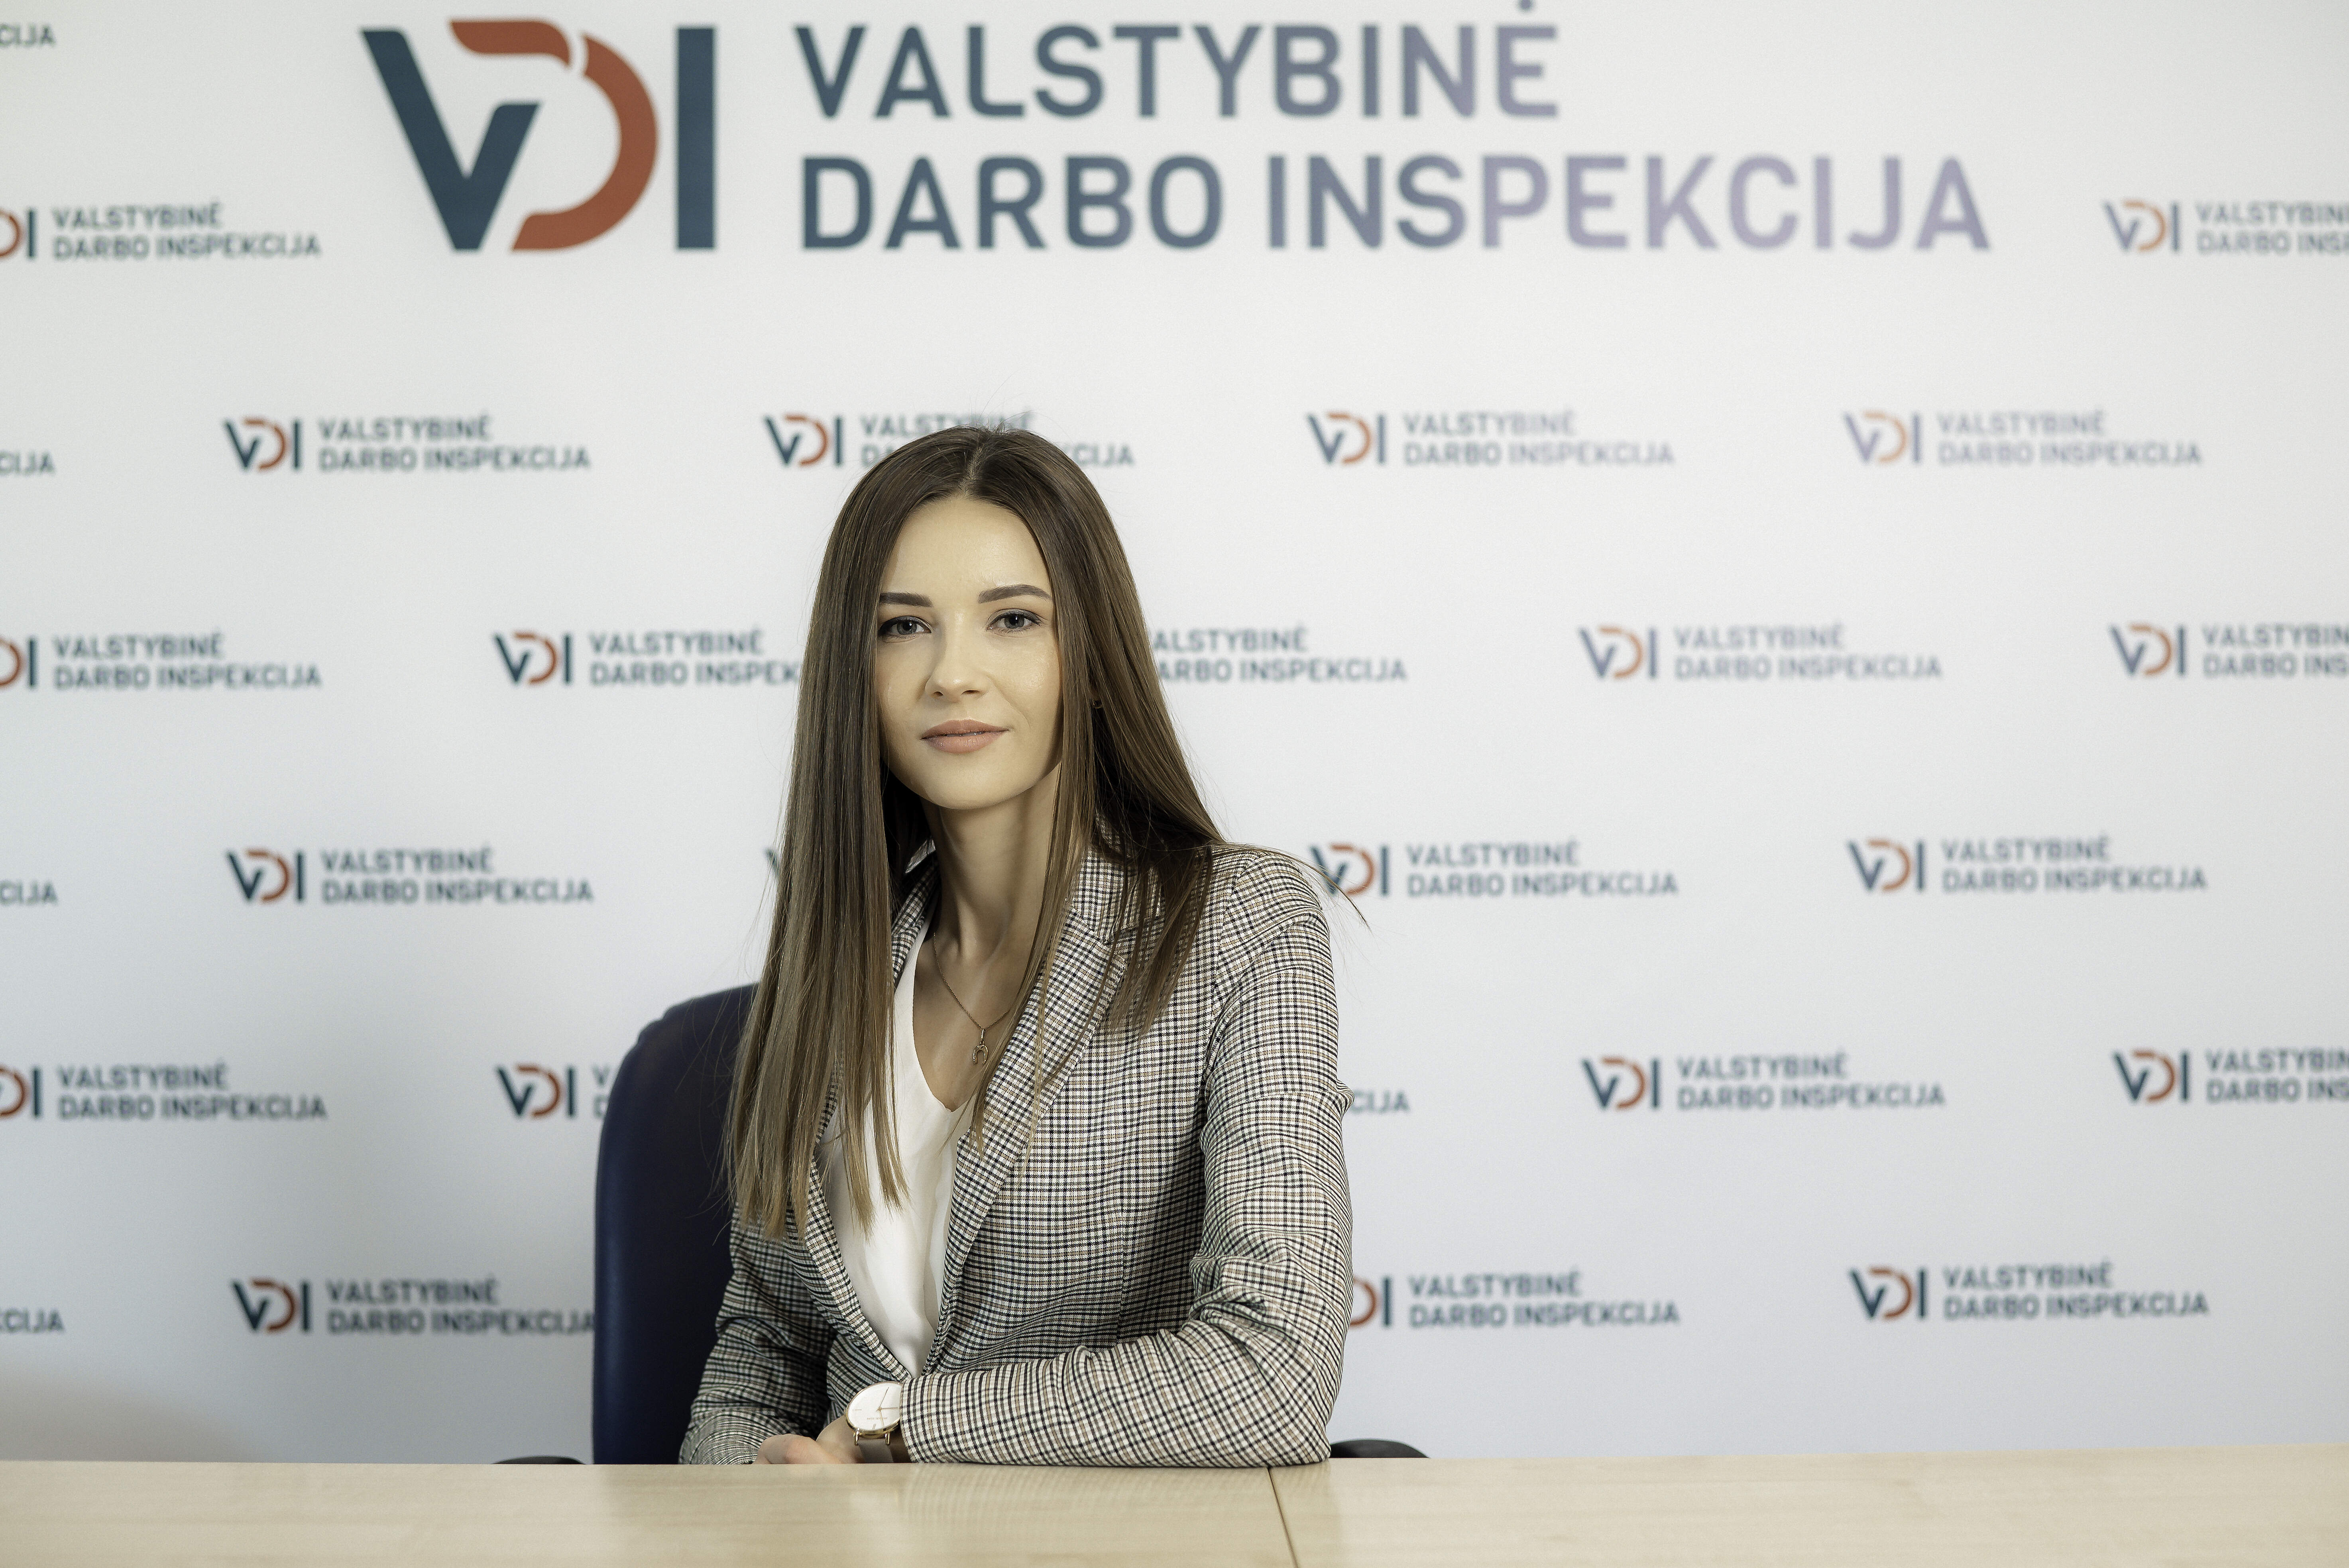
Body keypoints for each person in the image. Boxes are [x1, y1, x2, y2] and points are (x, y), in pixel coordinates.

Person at [681, 426, 1351, 1467]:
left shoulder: (1239, 927)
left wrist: (899, 1431)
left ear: (1090, 657)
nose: (953, 674)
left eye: (1012, 619)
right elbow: (763, 1355)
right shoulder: (833, 972)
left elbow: (1275, 1372)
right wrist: (753, 1499)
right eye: (904, 627)